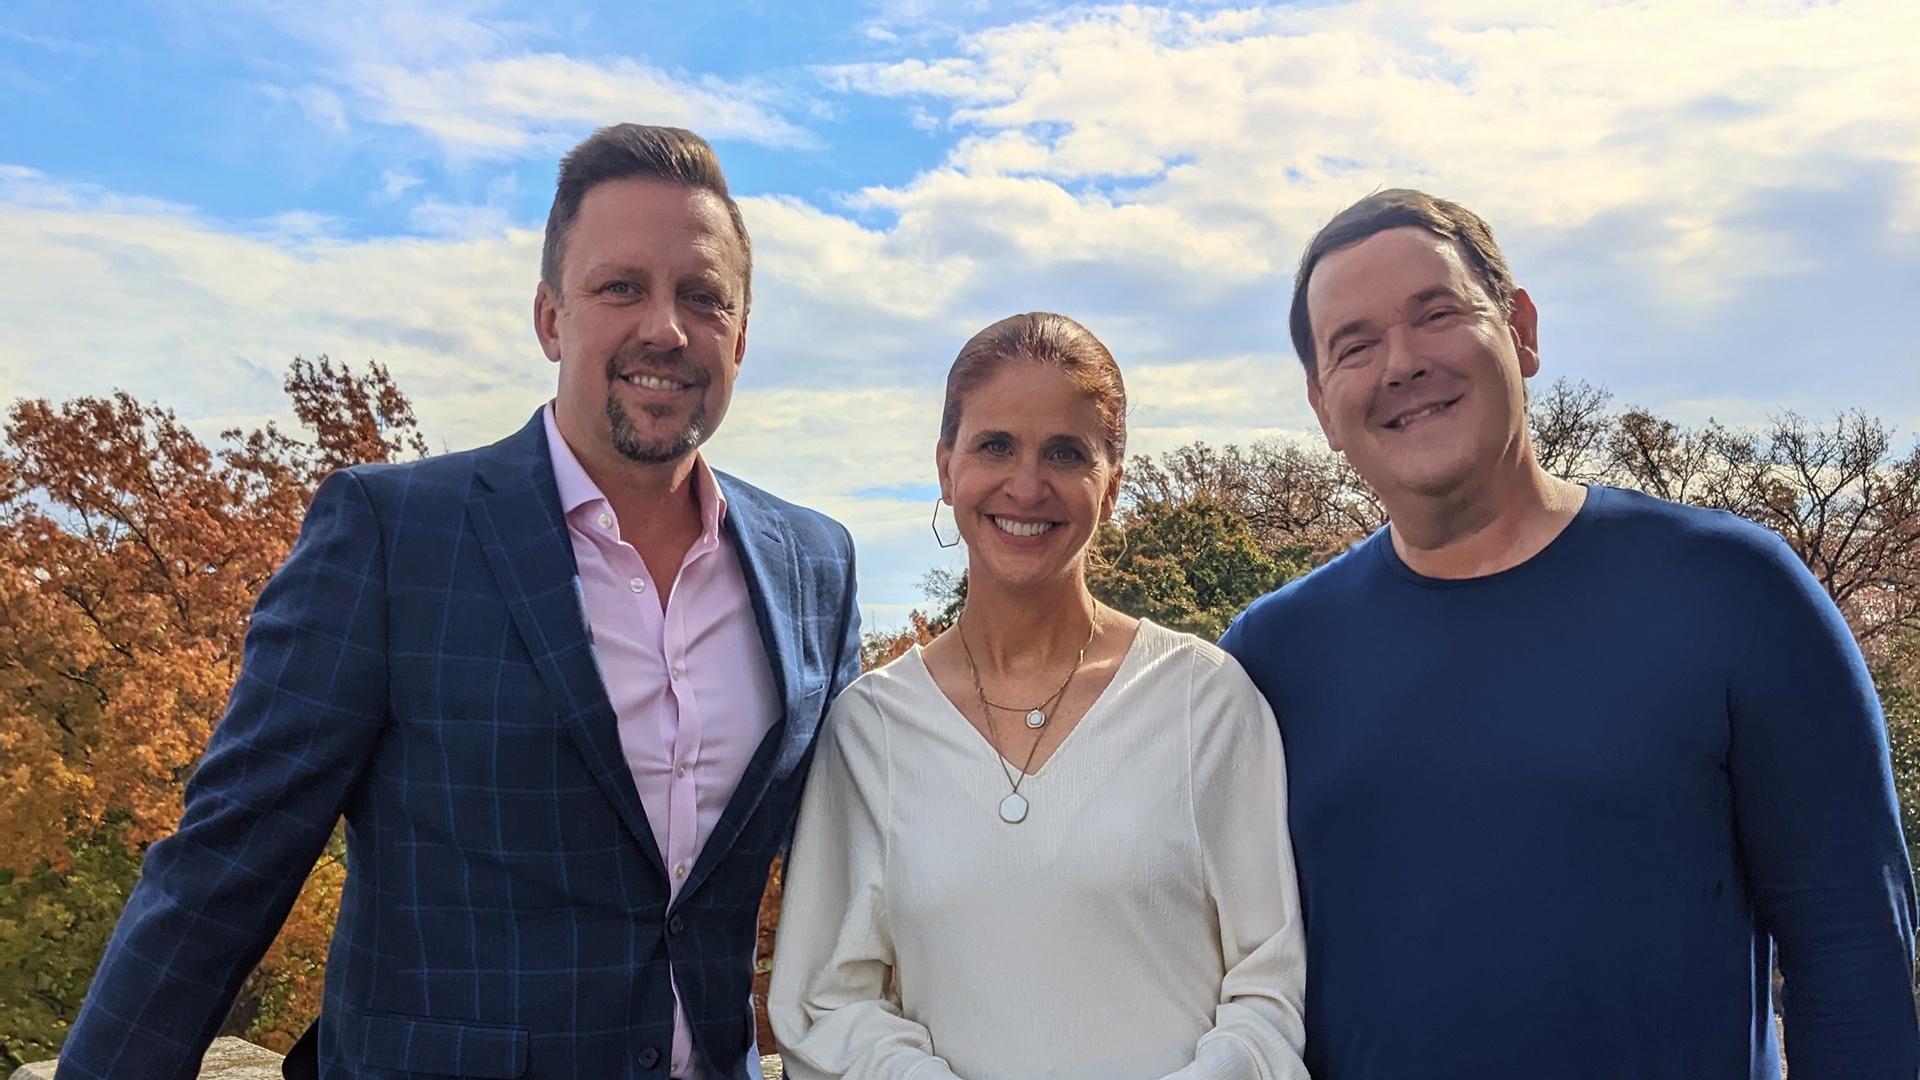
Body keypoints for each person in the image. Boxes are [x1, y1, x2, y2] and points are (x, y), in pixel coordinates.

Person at [60, 124, 862, 1080]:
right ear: (551, 318)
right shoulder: (395, 536)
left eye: (703, 296)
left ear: (741, 333)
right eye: (621, 288)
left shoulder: (814, 567)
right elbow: (224, 867)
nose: (666, 328)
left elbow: (860, 868)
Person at [1219, 188, 1919, 1078]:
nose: (1401, 363)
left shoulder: (1733, 591)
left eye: (1437, 314)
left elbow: (1853, 949)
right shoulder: (1270, 657)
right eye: (1354, 346)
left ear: (1521, 330)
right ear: (1322, 405)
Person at [768, 313, 1310, 1080]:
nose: (1027, 485)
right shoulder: (871, 728)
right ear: (946, 467)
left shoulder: (1205, 701)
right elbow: (826, 1005)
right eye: (995, 446)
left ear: (1111, 484)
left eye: (1066, 452)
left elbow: (1270, 987)